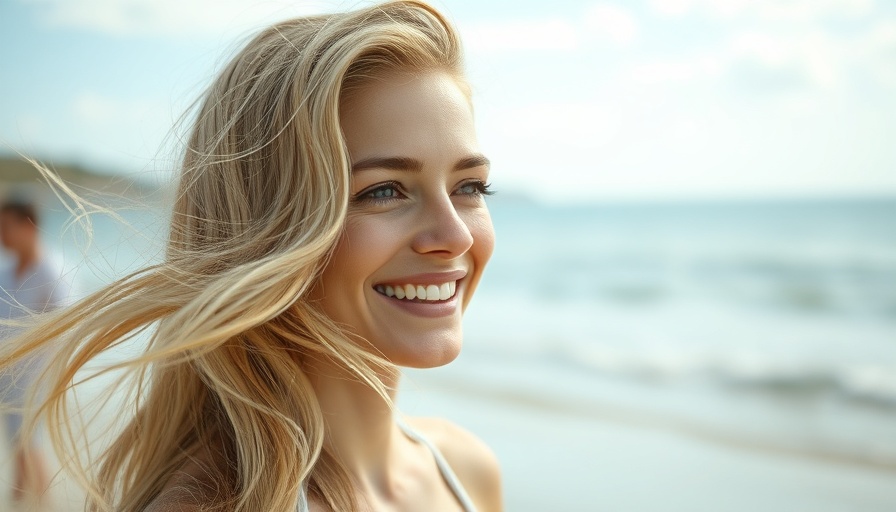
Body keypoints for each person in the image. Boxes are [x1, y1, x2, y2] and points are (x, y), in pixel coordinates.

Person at [0, 1, 502, 511]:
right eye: (384, 191)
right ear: (267, 230)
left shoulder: (468, 470)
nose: (456, 235)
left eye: (470, 185)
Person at [0, 199, 68, 503]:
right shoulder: (7, 272)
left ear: (28, 226)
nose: (1, 234)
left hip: (34, 378)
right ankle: (16, 500)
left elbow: (65, 327)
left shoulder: (51, 271)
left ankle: (43, 503)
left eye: (5, 227)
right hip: (7, 376)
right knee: (16, 443)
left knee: (30, 443)